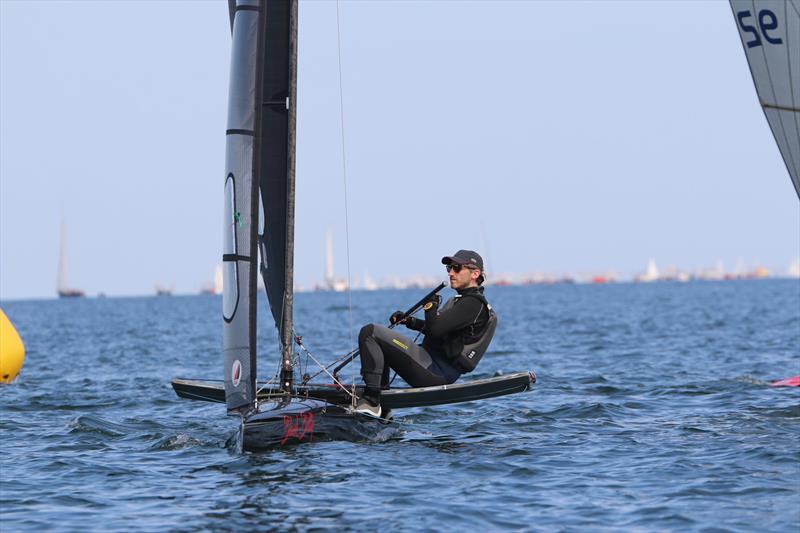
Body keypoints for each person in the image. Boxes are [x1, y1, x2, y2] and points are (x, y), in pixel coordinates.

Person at [355, 250, 493, 417]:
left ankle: (371, 400)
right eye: (449, 268)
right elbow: (438, 330)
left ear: (475, 274)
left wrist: (430, 306)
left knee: (370, 332)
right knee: (381, 340)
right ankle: (382, 407)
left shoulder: (472, 304)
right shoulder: (462, 301)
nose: (450, 272)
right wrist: (410, 321)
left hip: (435, 371)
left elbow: (435, 330)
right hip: (430, 363)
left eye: (456, 268)